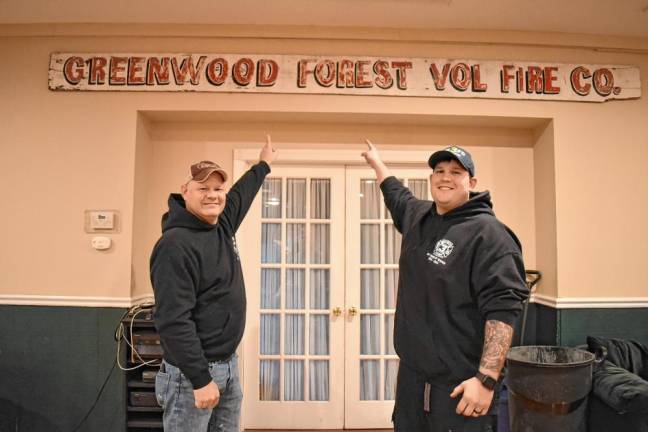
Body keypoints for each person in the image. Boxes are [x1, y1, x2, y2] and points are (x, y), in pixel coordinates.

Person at [361, 140, 529, 431]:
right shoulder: (419, 216)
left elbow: (503, 312)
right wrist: (377, 163)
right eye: (439, 170)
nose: (445, 177)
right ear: (431, 178)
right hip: (413, 379)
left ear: (471, 181)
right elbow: (394, 192)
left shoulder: (490, 236)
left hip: (460, 386)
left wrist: (486, 381)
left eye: (456, 172)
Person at [150, 136, 277, 432]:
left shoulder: (220, 225)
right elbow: (172, 319)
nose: (213, 195)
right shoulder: (174, 245)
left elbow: (240, 195)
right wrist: (200, 378)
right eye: (203, 188)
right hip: (191, 376)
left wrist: (264, 164)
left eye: (217, 189)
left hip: (227, 366)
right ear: (185, 192)